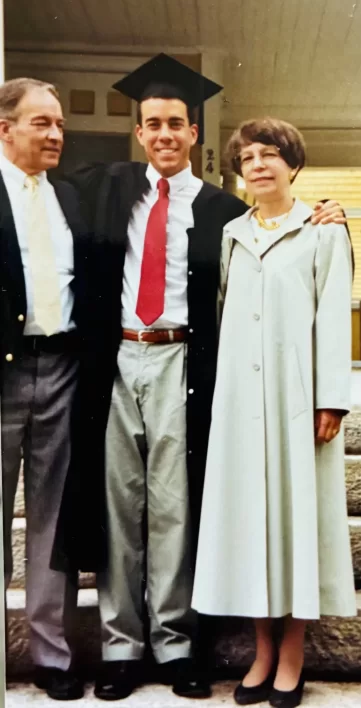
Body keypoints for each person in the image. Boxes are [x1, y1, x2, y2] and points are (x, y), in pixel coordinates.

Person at [51, 57, 346, 701]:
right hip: (117, 362)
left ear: (194, 136)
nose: (163, 134)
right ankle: (123, 648)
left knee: (175, 509)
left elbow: (279, 240)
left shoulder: (220, 211)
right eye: (152, 123)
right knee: (119, 505)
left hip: (182, 362)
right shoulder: (108, 188)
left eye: (176, 124)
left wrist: (329, 212)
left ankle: (178, 644)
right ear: (138, 131)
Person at [192, 118, 356, 708]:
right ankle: (262, 652)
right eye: (248, 157)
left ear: (293, 163)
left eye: (271, 154)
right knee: (251, 526)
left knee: (296, 523)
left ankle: (293, 655)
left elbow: (334, 317)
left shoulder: (323, 231)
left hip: (297, 404)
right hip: (241, 404)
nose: (259, 164)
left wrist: (331, 399)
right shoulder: (233, 233)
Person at [0, 78, 89, 701]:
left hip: (61, 369)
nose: (56, 134)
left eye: (58, 124)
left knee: (53, 522)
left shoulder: (71, 200)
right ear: (4, 128)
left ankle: (51, 656)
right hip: (1, 374)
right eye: (40, 123)